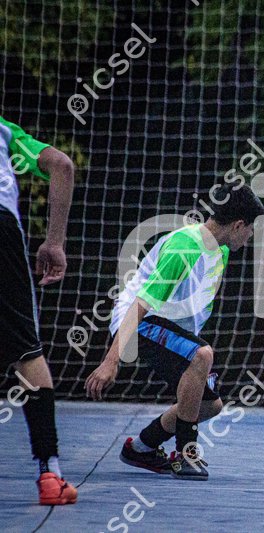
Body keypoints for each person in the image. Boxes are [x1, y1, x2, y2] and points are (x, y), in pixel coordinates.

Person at [85, 184, 264, 480]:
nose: (251, 236)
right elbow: (141, 305)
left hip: (163, 324)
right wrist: (110, 361)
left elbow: (191, 307)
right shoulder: (184, 248)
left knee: (209, 405)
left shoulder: (220, 250)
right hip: (138, 321)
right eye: (251, 229)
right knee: (202, 354)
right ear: (237, 225)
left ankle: (141, 448)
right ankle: (186, 454)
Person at [0, 115, 78, 504]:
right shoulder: (4, 130)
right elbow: (62, 165)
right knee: (28, 354)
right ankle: (50, 475)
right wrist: (54, 243)